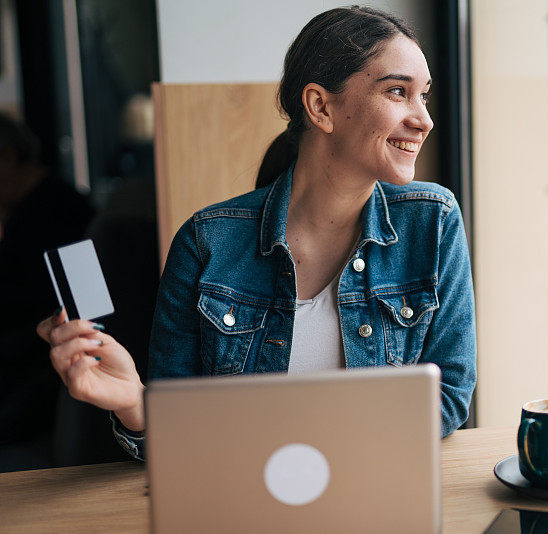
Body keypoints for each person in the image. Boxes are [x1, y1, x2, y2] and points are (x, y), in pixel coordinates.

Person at [36, 6, 476, 461]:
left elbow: (449, 397)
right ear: (321, 107)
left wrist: (306, 455)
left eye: (423, 96)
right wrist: (136, 405)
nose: (423, 119)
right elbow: (180, 442)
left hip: (377, 496)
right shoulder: (206, 242)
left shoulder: (434, 222)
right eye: (398, 92)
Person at [0, 114, 95, 470]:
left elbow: (27, 310)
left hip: (45, 366)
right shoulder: (49, 204)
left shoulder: (48, 217)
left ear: (8, 159)